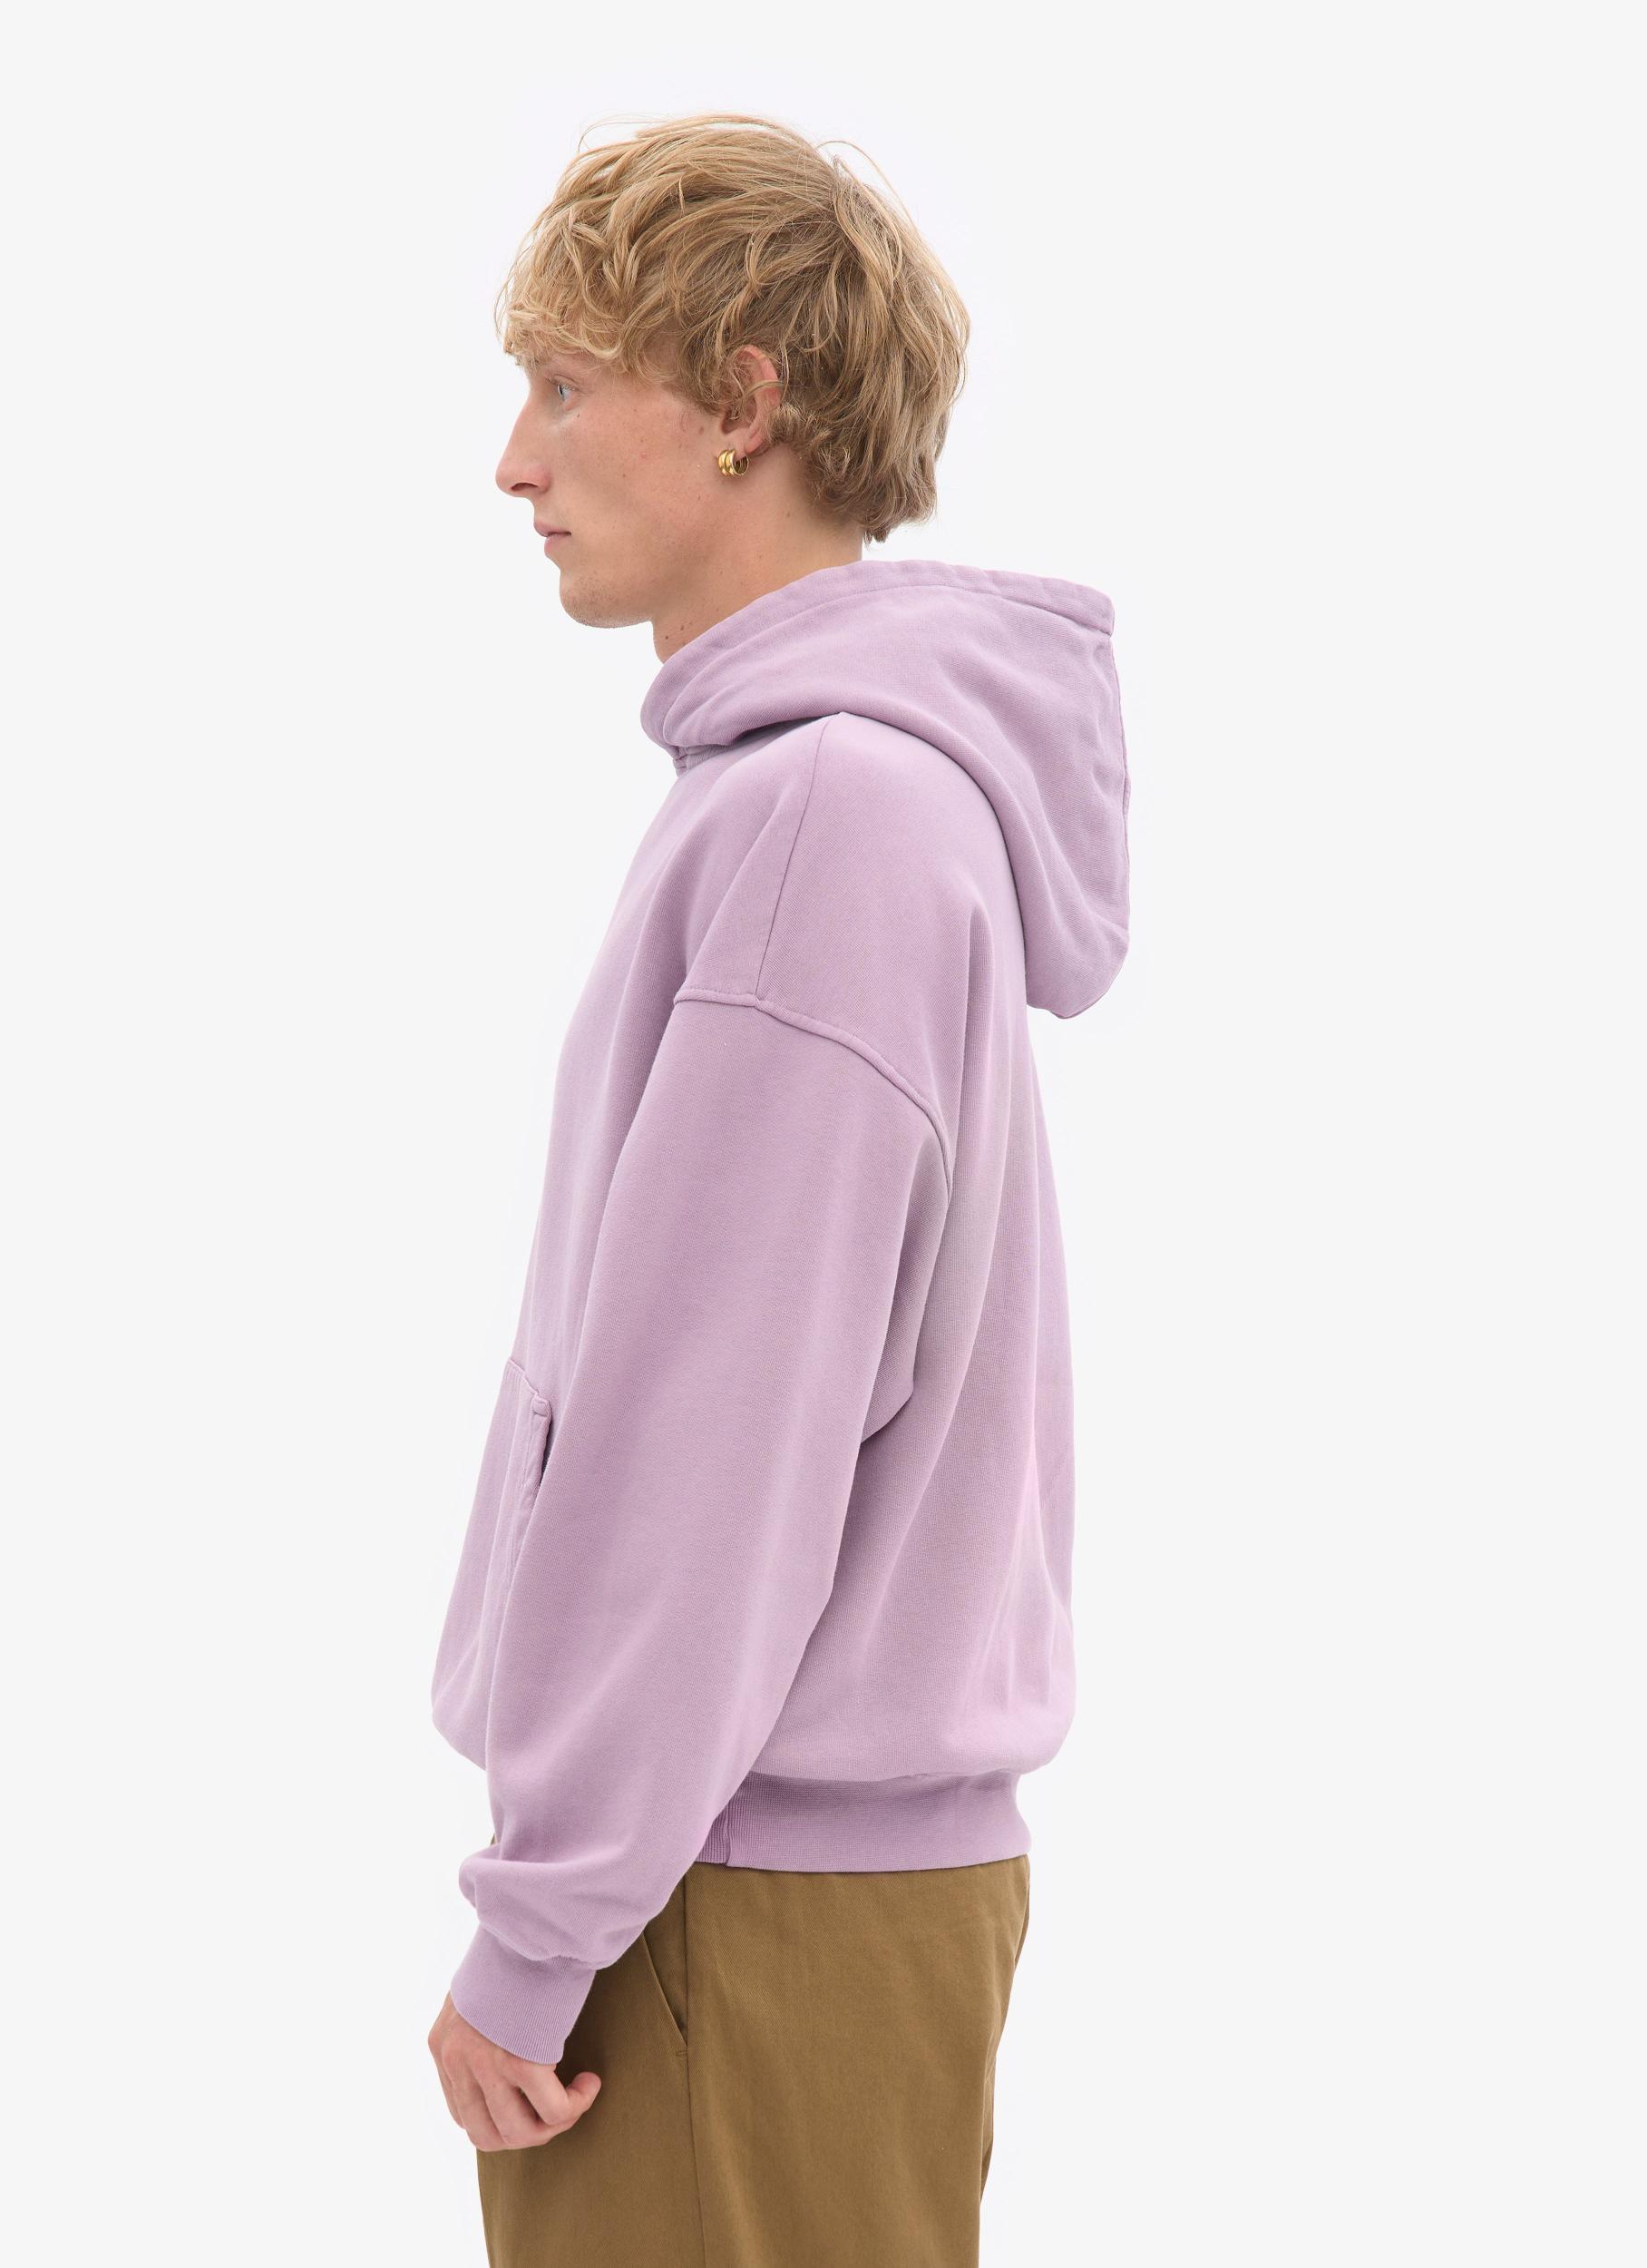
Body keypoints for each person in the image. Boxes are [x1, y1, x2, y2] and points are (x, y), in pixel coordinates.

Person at [426, 111, 1131, 2266]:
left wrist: (543, 1920)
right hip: (781, 1887)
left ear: (741, 399)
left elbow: (711, 1448)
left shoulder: (827, 818)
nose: (514, 461)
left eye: (564, 386)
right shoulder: (844, 800)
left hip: (725, 1907)